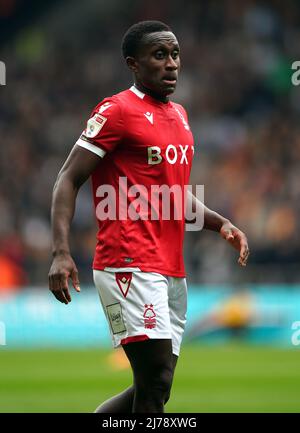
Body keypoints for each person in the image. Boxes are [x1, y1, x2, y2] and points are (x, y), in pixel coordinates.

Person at [48, 20, 249, 413]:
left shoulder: (181, 116)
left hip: (171, 266)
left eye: (175, 54)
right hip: (128, 263)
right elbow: (67, 178)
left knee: (156, 386)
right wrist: (60, 251)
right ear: (133, 64)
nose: (171, 64)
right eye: (159, 55)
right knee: (155, 381)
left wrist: (220, 223)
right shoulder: (116, 111)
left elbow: (172, 194)